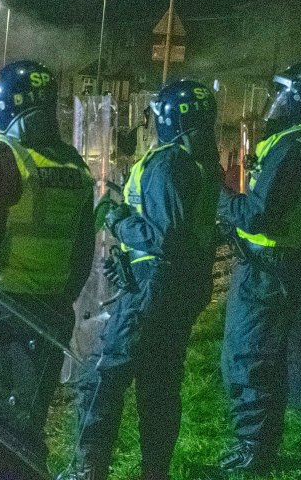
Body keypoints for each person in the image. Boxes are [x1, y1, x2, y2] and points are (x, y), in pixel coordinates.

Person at [59, 80, 222, 480]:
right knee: (160, 386)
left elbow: (164, 238)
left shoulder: (168, 163)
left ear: (168, 119)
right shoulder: (204, 162)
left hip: (153, 289)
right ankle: (155, 472)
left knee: (104, 378)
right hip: (179, 287)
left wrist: (118, 218)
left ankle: (87, 470)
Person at [0, 60, 95, 480]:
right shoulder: (73, 165)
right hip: (49, 314)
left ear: (3, 106)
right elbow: (82, 249)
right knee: (25, 431)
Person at [217, 62, 301, 472]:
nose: (277, 101)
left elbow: (258, 215)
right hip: (281, 264)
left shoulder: (295, 145)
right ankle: (259, 443)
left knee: (248, 356)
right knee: (262, 356)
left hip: (267, 271)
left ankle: (252, 450)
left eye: (285, 93)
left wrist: (217, 196)